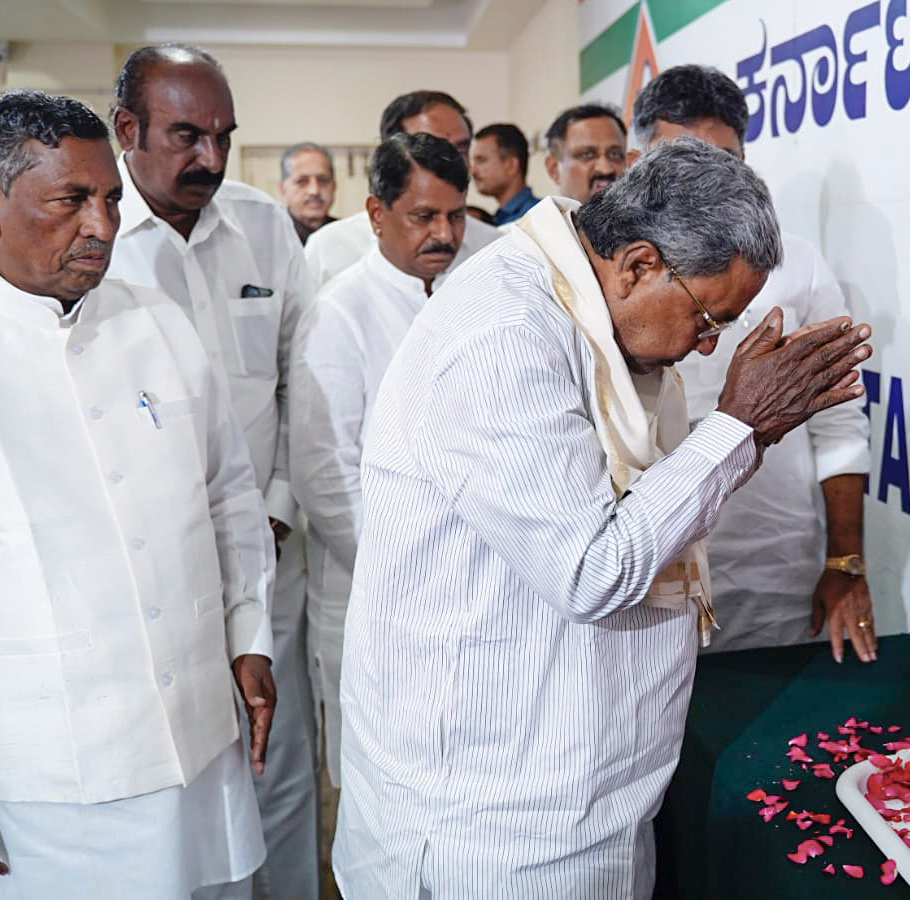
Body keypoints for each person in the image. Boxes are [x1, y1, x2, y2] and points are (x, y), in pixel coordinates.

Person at [332, 140, 872, 898]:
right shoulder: (505, 337)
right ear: (639, 264)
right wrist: (741, 426)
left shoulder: (577, 306)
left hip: (577, 801)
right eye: (707, 316)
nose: (708, 343)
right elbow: (591, 569)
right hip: (493, 833)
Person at [0, 90, 275, 900]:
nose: (102, 226)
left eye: (109, 200)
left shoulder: (156, 321)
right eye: (71, 201)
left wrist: (249, 635)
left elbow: (229, 497)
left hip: (198, 740)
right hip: (40, 773)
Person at [103, 44, 316, 898]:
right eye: (187, 136)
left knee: (287, 768)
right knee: (182, 775)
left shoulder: (263, 226)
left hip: (270, 549)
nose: (212, 160)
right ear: (128, 130)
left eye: (225, 136)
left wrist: (279, 501)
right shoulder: (95, 243)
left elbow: (309, 377)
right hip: (155, 569)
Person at [630, 65, 876, 660]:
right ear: (642, 162)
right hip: (639, 569)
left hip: (771, 564)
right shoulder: (617, 266)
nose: (709, 183)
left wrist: (844, 560)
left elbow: (839, 422)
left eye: (725, 160)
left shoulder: (796, 264)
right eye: (685, 160)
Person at [288, 132, 469, 790]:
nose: (444, 233)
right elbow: (323, 476)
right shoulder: (340, 312)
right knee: (378, 788)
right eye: (424, 216)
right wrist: (408, 573)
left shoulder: (469, 296)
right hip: (374, 594)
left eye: (456, 214)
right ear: (375, 214)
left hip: (463, 596)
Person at [303, 90, 499, 285]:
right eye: (427, 148)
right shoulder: (329, 250)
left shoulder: (495, 249)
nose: (450, 162)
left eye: (461, 149)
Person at [545, 102, 629, 202]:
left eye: (615, 155)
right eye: (587, 154)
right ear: (554, 170)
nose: (605, 169)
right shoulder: (534, 217)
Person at [471, 123, 536, 225]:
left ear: (511, 165)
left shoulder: (538, 216)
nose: (473, 171)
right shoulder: (497, 219)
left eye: (481, 160)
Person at [279, 142, 337, 244]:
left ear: (334, 186)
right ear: (283, 189)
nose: (314, 191)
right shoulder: (270, 236)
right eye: (302, 181)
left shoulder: (348, 235)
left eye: (323, 180)